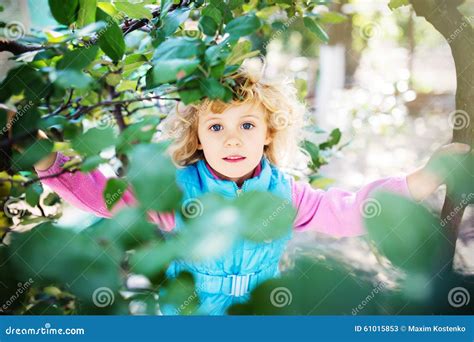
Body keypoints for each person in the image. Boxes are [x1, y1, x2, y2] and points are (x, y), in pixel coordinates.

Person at [29, 63, 470, 315]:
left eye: (246, 124)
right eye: (216, 126)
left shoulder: (285, 193)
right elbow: (105, 196)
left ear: (267, 133)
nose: (232, 139)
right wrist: (45, 158)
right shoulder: (175, 192)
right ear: (198, 136)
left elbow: (353, 208)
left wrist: (426, 178)